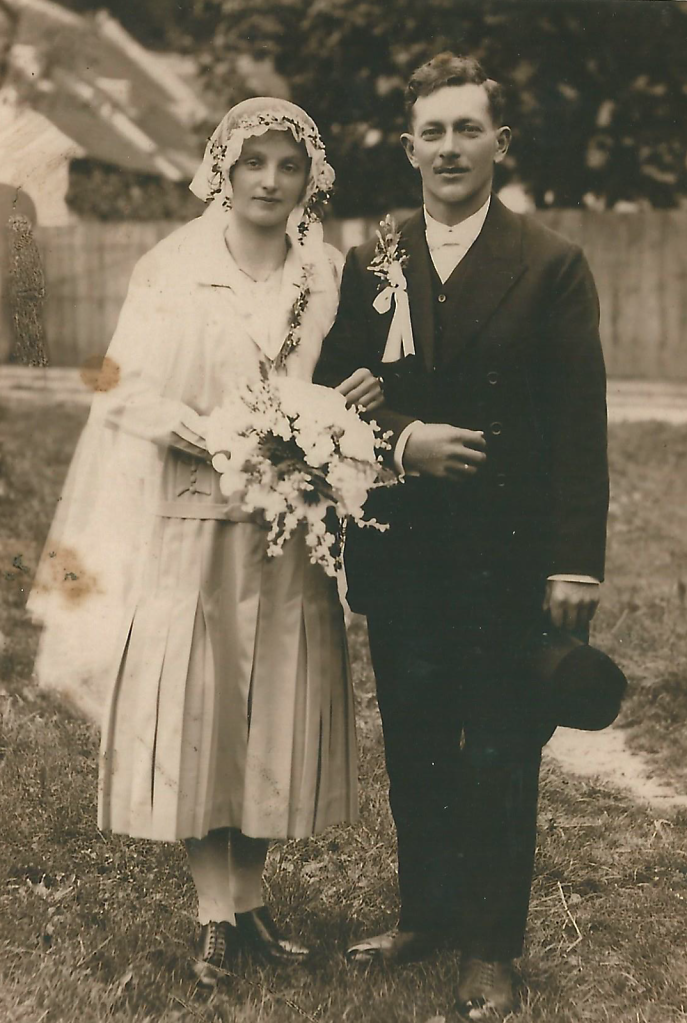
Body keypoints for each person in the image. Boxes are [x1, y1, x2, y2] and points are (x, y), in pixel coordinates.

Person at [29, 98, 382, 988]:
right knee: (199, 699)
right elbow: (115, 384)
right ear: (222, 169)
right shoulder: (172, 266)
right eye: (252, 162)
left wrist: (334, 413)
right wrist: (194, 428)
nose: (269, 181)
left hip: (287, 521)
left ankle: (254, 896)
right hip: (192, 512)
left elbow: (333, 382)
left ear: (310, 179)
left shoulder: (326, 269)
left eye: (287, 165)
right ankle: (212, 911)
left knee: (273, 702)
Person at [314, 54, 609, 1018]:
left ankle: (491, 944)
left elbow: (577, 421)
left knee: (498, 744)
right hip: (402, 548)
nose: (449, 147)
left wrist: (574, 562)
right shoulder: (370, 262)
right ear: (408, 149)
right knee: (416, 738)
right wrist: (397, 436)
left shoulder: (550, 262)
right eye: (432, 132)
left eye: (467, 129)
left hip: (506, 555)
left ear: (499, 144)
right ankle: (426, 915)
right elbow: (327, 401)